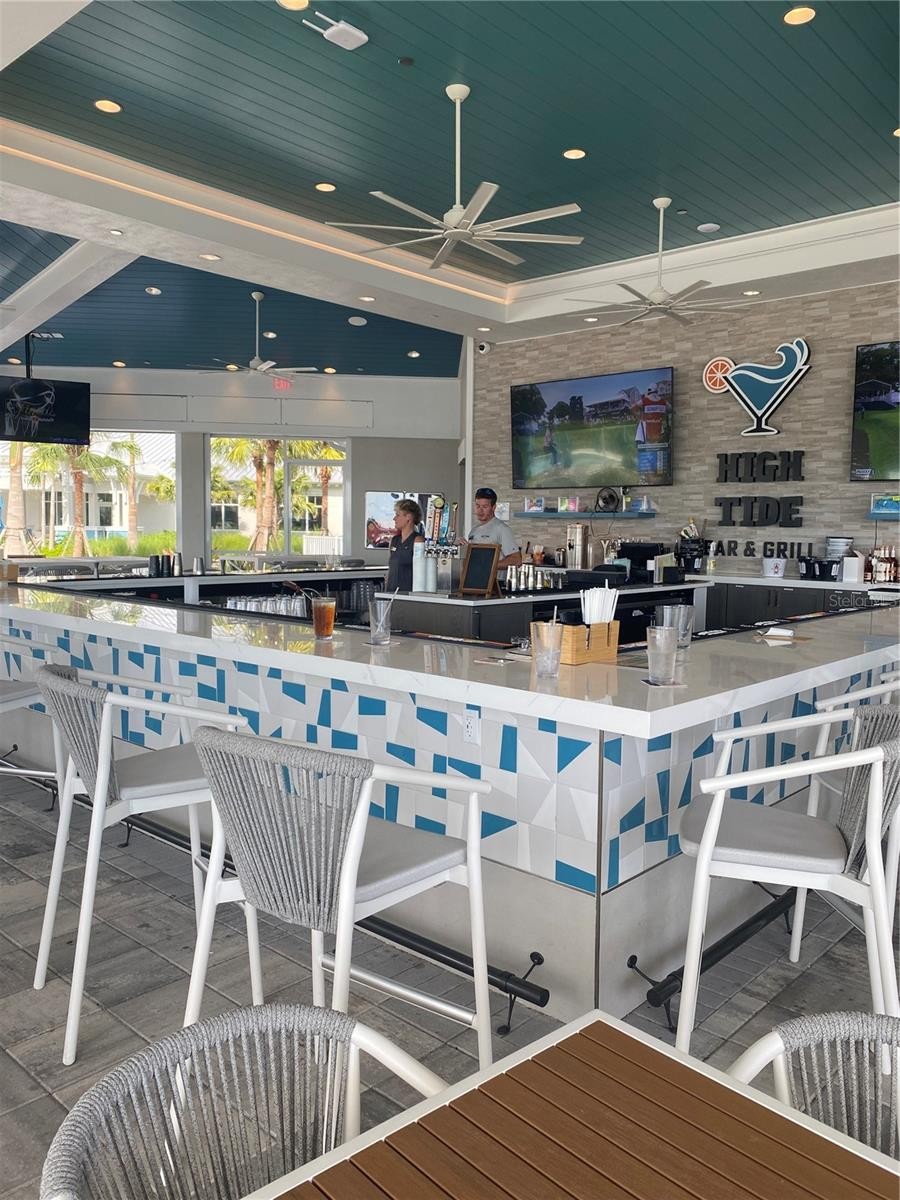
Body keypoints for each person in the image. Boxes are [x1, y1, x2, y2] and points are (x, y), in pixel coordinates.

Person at [464, 487, 521, 567]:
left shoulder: (502, 529)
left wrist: (489, 566)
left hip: (495, 575)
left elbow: (516, 560)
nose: (480, 511)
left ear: (493, 507)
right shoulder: (473, 531)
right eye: (478, 506)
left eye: (485, 507)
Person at [385, 498, 424, 591]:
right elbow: (391, 568)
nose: (394, 518)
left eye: (398, 515)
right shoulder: (394, 540)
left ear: (408, 517)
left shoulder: (417, 540)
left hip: (408, 594)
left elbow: (421, 572)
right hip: (391, 593)